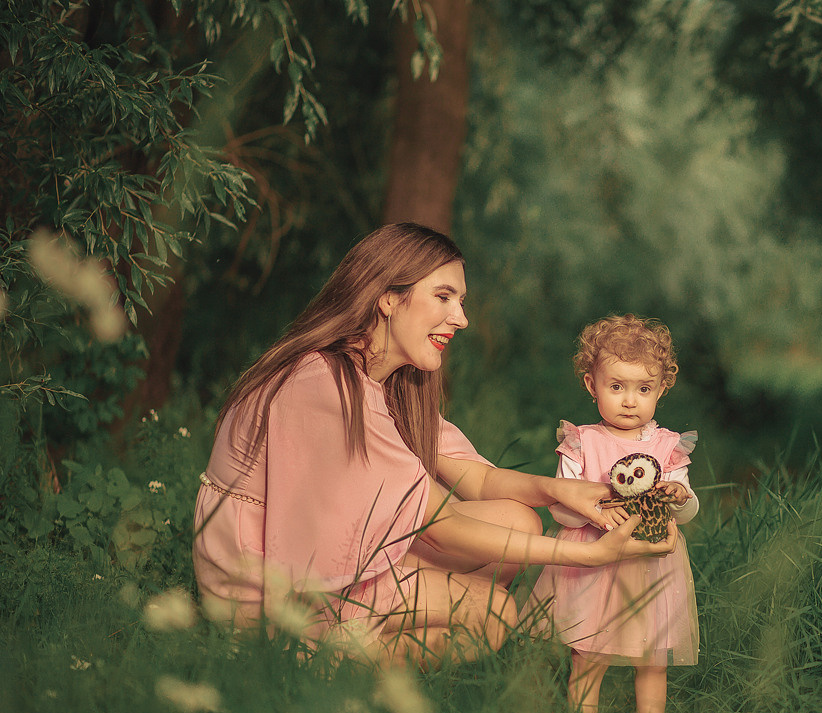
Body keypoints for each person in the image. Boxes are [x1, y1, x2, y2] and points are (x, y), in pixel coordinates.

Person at [192, 224, 678, 667]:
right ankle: (311, 661)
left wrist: (560, 491)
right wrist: (583, 556)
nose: (461, 318)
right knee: (498, 611)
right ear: (387, 298)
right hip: (265, 588)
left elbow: (480, 479)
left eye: (460, 301)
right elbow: (439, 525)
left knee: (516, 526)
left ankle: (348, 655)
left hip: (321, 559)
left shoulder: (389, 384)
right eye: (444, 296)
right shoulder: (325, 385)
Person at [528, 314, 699, 713]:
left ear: (662, 388)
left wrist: (679, 494)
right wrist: (597, 512)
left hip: (651, 564)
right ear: (591, 384)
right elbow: (562, 507)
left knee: (653, 657)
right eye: (616, 386)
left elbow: (688, 507)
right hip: (594, 565)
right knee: (590, 654)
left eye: (644, 389)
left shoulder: (667, 446)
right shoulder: (582, 443)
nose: (629, 401)